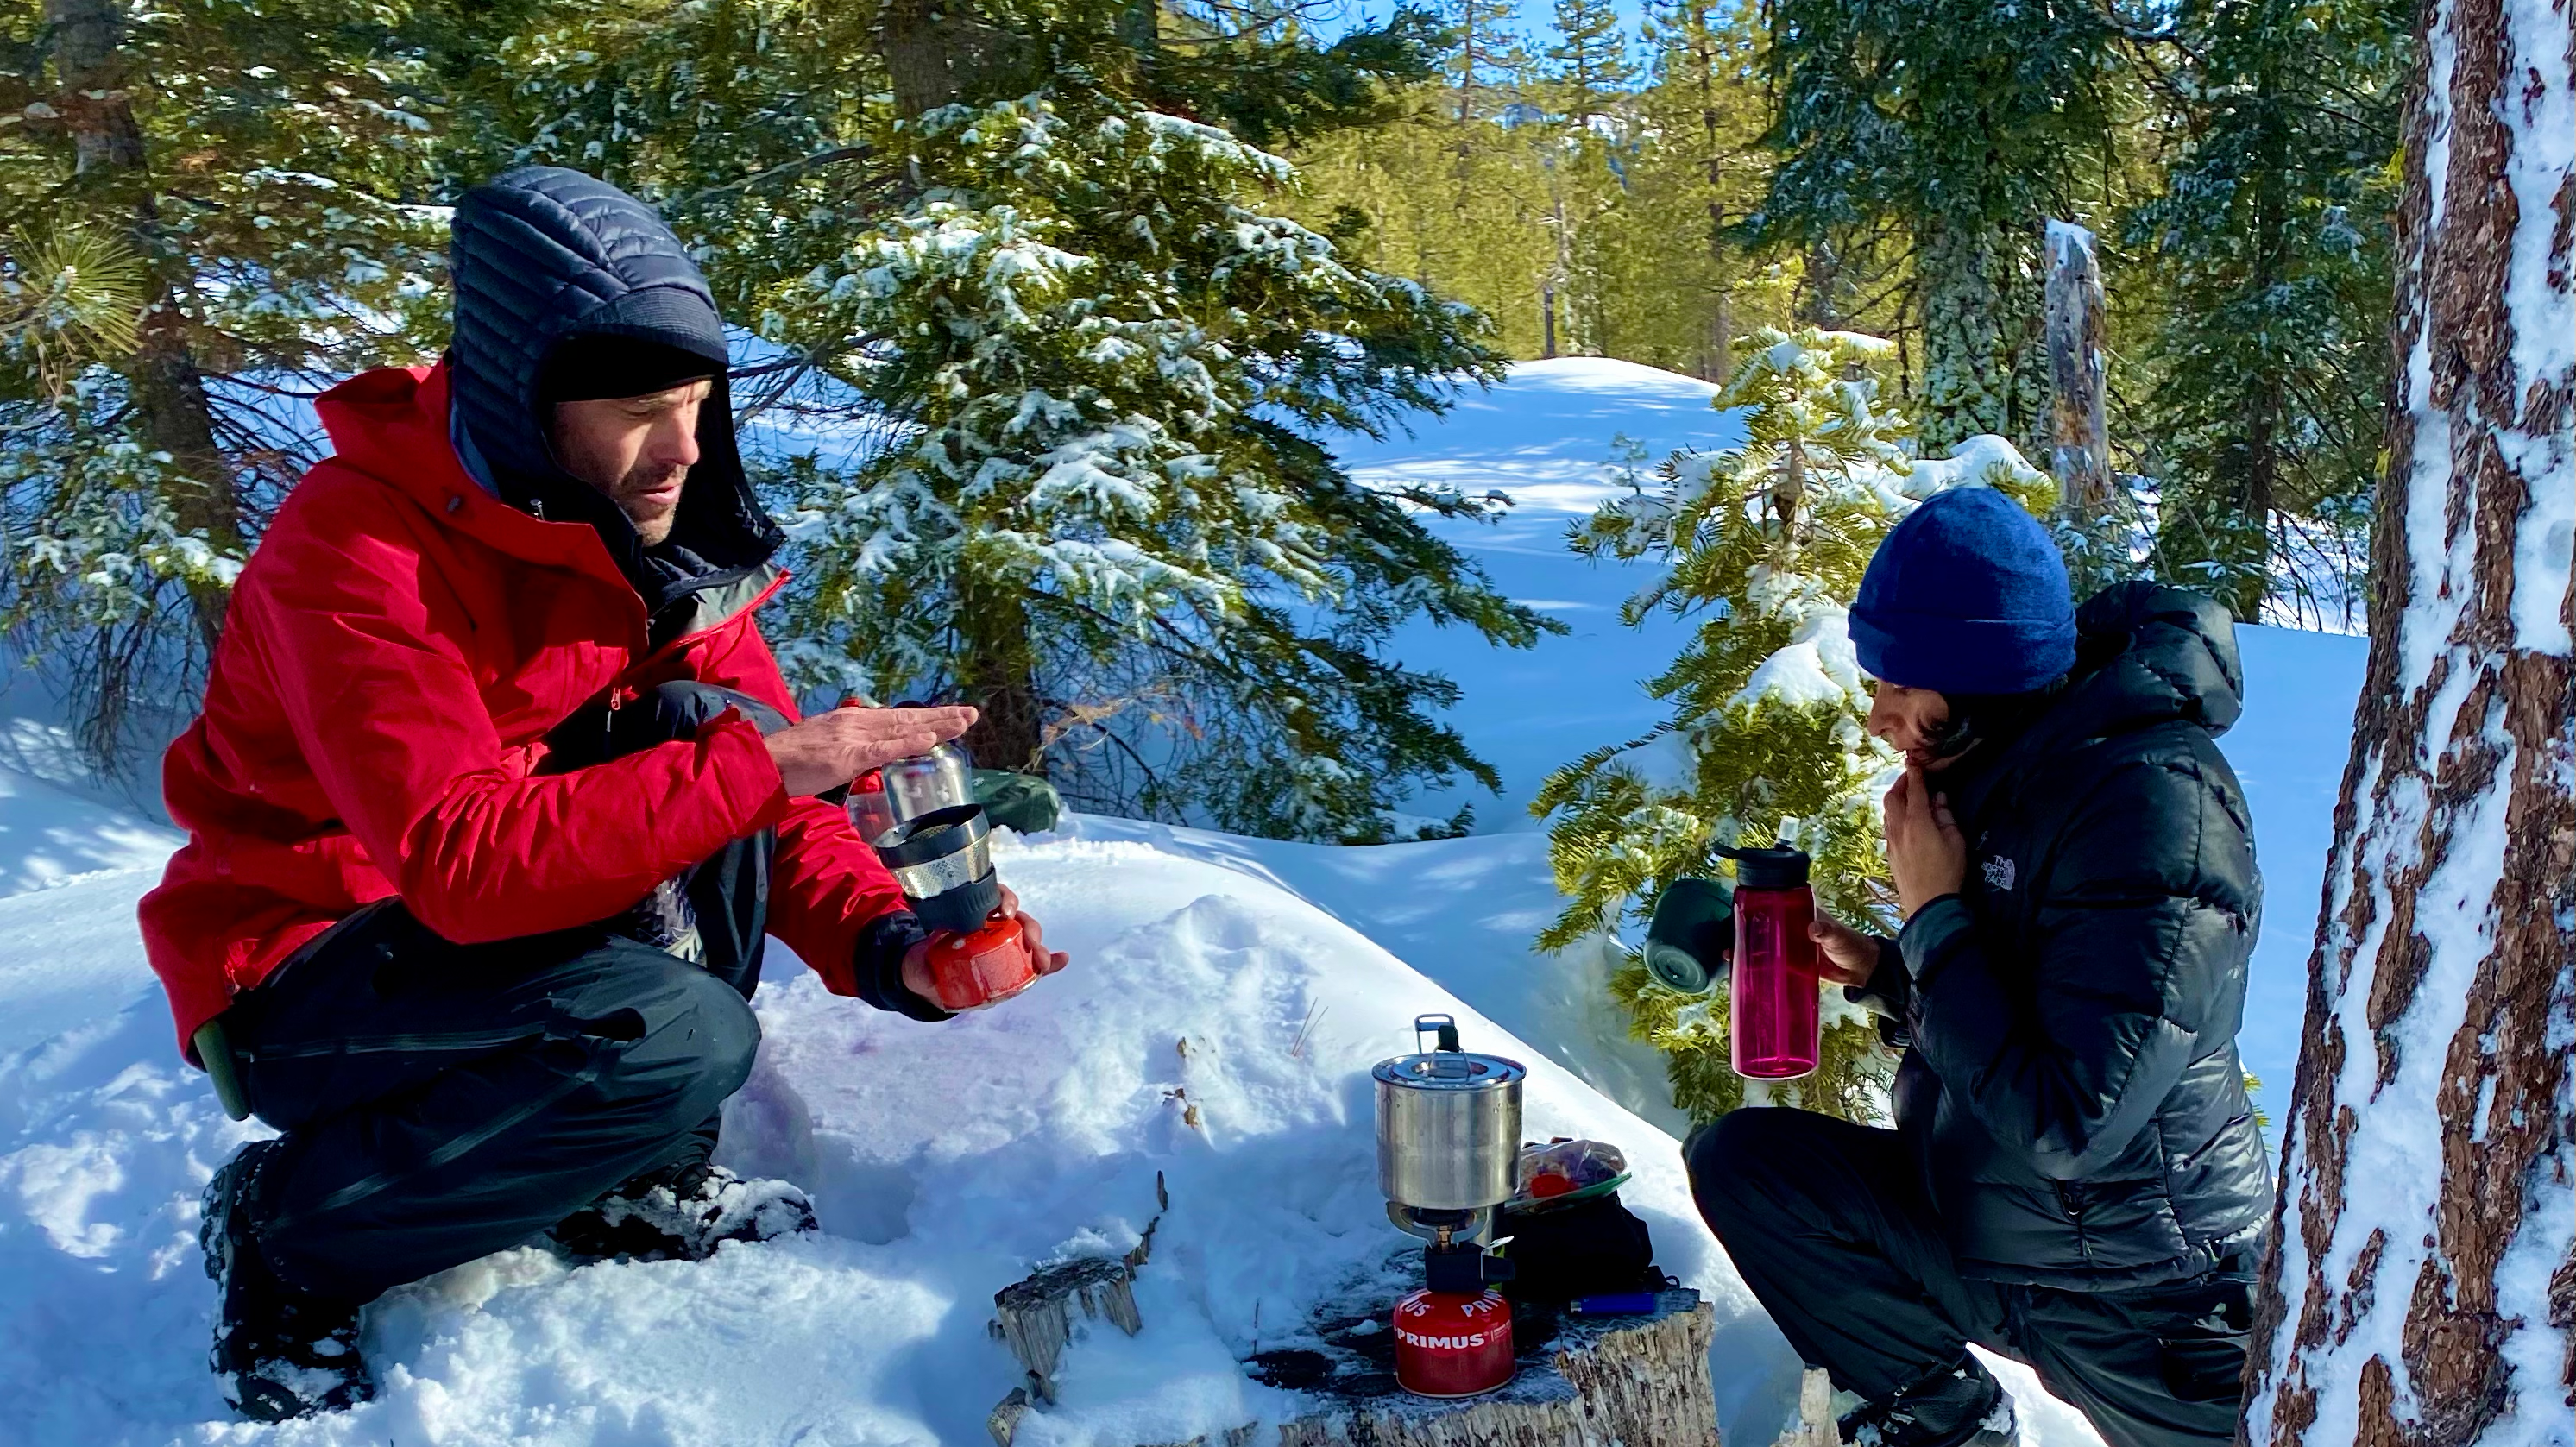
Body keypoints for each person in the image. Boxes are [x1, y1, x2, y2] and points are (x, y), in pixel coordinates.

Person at [138, 167, 1069, 1422]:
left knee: (711, 726)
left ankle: (631, 1174)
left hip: (482, 936)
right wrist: (773, 764)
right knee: (676, 1023)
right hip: (307, 961)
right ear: (530, 404)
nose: (683, 446)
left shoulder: (646, 533)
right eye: (638, 409)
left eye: (692, 402)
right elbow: (460, 865)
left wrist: (887, 946)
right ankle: (292, 1234)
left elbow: (752, 787)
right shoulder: (355, 549)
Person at [1685, 488, 2271, 1447]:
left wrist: (1937, 920)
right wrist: (1885, 969)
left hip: (2146, 1297)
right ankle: (1952, 1428)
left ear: (1975, 680)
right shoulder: (2012, 766)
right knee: (1753, 1167)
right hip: (2003, 1235)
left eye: (1897, 686)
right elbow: (2028, 1010)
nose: (1876, 715)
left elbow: (2070, 1119)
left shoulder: (2155, 809)